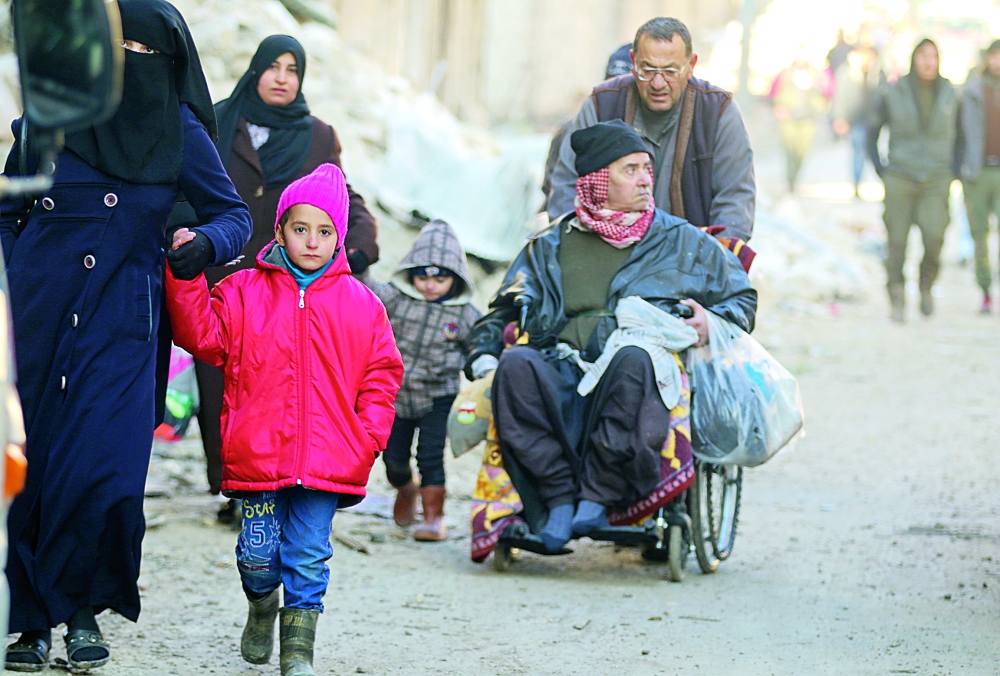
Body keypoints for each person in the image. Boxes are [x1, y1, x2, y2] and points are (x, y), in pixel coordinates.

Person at [0, 0, 253, 671]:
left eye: (146, 54)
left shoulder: (178, 128)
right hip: (36, 319)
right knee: (34, 466)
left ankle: (81, 609)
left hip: (124, 323)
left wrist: (202, 242)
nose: (132, 65)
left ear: (169, 62)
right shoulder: (51, 120)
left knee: (103, 470)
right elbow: (6, 210)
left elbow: (234, 216)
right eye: (120, 51)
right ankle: (30, 622)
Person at [465, 120, 756, 553]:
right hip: (564, 364)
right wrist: (482, 352)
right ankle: (560, 500)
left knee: (636, 358)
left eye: (646, 168)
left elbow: (742, 300)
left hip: (632, 371)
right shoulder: (550, 244)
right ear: (597, 182)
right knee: (517, 366)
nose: (644, 180)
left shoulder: (681, 240)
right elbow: (505, 306)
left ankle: (598, 497)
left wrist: (709, 323)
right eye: (630, 170)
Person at [166, 164, 403, 676]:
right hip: (259, 451)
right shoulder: (243, 290)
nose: (312, 242)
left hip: (331, 456)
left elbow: (382, 375)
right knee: (257, 555)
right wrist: (184, 277)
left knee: (309, 552)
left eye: (325, 232)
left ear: (339, 237)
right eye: (301, 229)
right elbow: (203, 337)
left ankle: (298, 652)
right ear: (279, 230)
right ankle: (260, 605)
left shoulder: (362, 305)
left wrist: (368, 439)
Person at [169, 34, 380, 521]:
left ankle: (278, 480)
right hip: (220, 272)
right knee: (218, 384)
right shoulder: (215, 120)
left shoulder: (318, 135)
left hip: (283, 280)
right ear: (256, 70)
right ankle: (233, 486)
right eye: (273, 67)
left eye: (292, 69)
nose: (282, 77)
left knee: (273, 386)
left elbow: (342, 195)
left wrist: (357, 246)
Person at [546, 17, 755, 242]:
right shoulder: (602, 105)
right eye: (647, 70)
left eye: (670, 71)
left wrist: (710, 259)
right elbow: (566, 189)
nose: (658, 83)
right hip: (610, 253)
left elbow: (735, 202)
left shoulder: (717, 112)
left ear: (691, 66)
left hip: (691, 258)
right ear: (633, 62)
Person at [362, 220, 481, 541]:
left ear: (454, 279)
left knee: (430, 454)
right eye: (422, 277)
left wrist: (480, 362)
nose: (430, 286)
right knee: (393, 457)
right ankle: (406, 488)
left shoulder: (466, 314)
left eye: (440, 279)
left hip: (438, 397)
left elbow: (480, 343)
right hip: (396, 394)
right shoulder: (397, 299)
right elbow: (366, 293)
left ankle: (433, 516)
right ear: (410, 273)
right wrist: (359, 270)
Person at [868, 39, 959, 321]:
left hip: (937, 177)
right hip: (900, 175)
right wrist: (882, 169)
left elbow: (964, 134)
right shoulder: (894, 91)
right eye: (923, 56)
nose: (928, 62)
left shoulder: (951, 93)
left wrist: (953, 170)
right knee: (896, 240)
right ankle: (896, 295)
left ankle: (926, 284)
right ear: (914, 59)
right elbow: (872, 132)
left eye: (934, 56)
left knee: (935, 236)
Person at [956, 39, 1000, 314]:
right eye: (994, 57)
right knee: (980, 235)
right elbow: (958, 134)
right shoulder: (971, 91)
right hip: (978, 172)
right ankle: (985, 291)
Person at [769, 56, 829, 192]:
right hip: (788, 120)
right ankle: (790, 181)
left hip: (808, 119)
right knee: (789, 151)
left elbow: (827, 92)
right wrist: (778, 108)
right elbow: (773, 94)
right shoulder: (785, 74)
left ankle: (795, 179)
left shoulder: (817, 75)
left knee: (802, 152)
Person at [831, 46, 881, 196]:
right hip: (856, 121)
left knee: (869, 152)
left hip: (873, 121)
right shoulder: (848, 73)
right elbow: (840, 97)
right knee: (858, 151)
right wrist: (840, 118)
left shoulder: (877, 74)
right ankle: (857, 182)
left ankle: (863, 180)